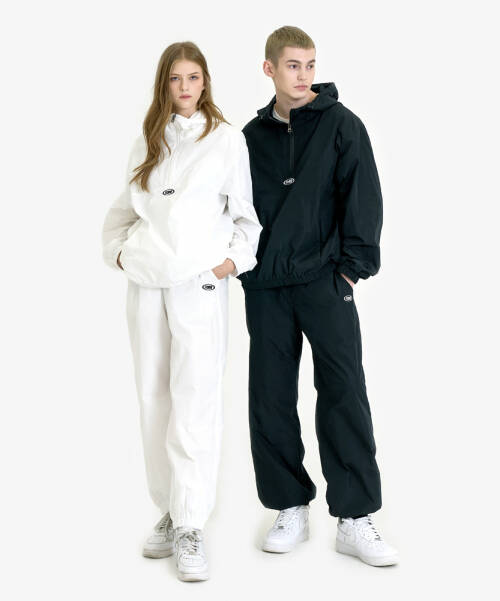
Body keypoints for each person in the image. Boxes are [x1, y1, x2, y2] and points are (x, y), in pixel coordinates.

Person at [238, 26, 399, 567]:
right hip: (266, 286)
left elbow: (364, 197)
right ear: (269, 69)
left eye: (309, 64)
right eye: (292, 65)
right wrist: (243, 266)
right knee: (270, 397)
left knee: (343, 390)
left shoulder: (342, 125)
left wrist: (352, 270)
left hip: (326, 281)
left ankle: (355, 518)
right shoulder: (249, 137)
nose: (303, 75)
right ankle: (289, 506)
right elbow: (233, 207)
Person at [102, 41, 262, 581]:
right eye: (176, 78)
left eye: (193, 77)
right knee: (153, 399)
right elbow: (121, 215)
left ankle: (192, 523)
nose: (185, 87)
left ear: (205, 81)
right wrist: (120, 254)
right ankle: (170, 510)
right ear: (164, 85)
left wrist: (228, 264)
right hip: (147, 284)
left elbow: (246, 218)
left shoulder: (226, 140)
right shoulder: (147, 141)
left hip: (198, 286)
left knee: (196, 398)